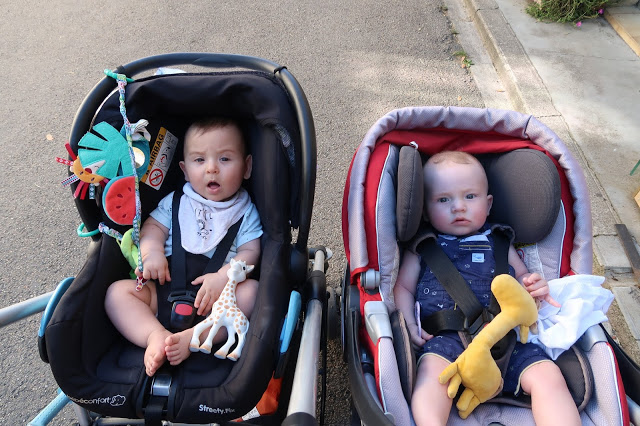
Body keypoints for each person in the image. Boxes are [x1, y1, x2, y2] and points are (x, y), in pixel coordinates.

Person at [393, 151, 580, 425]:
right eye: (444, 199)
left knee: (549, 377)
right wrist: (408, 323)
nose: (459, 207)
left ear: (488, 204)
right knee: (431, 376)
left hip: (506, 341)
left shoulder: (500, 241)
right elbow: (402, 288)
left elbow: (522, 279)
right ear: (424, 210)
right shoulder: (424, 247)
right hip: (446, 341)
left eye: (470, 196)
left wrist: (534, 286)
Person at [105, 117, 262, 377]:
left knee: (252, 293)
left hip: (217, 303)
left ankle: (194, 337)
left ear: (246, 167)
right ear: (185, 170)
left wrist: (223, 277)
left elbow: (250, 253)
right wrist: (152, 253)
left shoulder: (245, 212)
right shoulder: (176, 201)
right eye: (199, 160)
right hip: (163, 289)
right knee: (117, 294)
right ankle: (155, 335)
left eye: (224, 159)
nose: (211, 168)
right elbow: (152, 229)